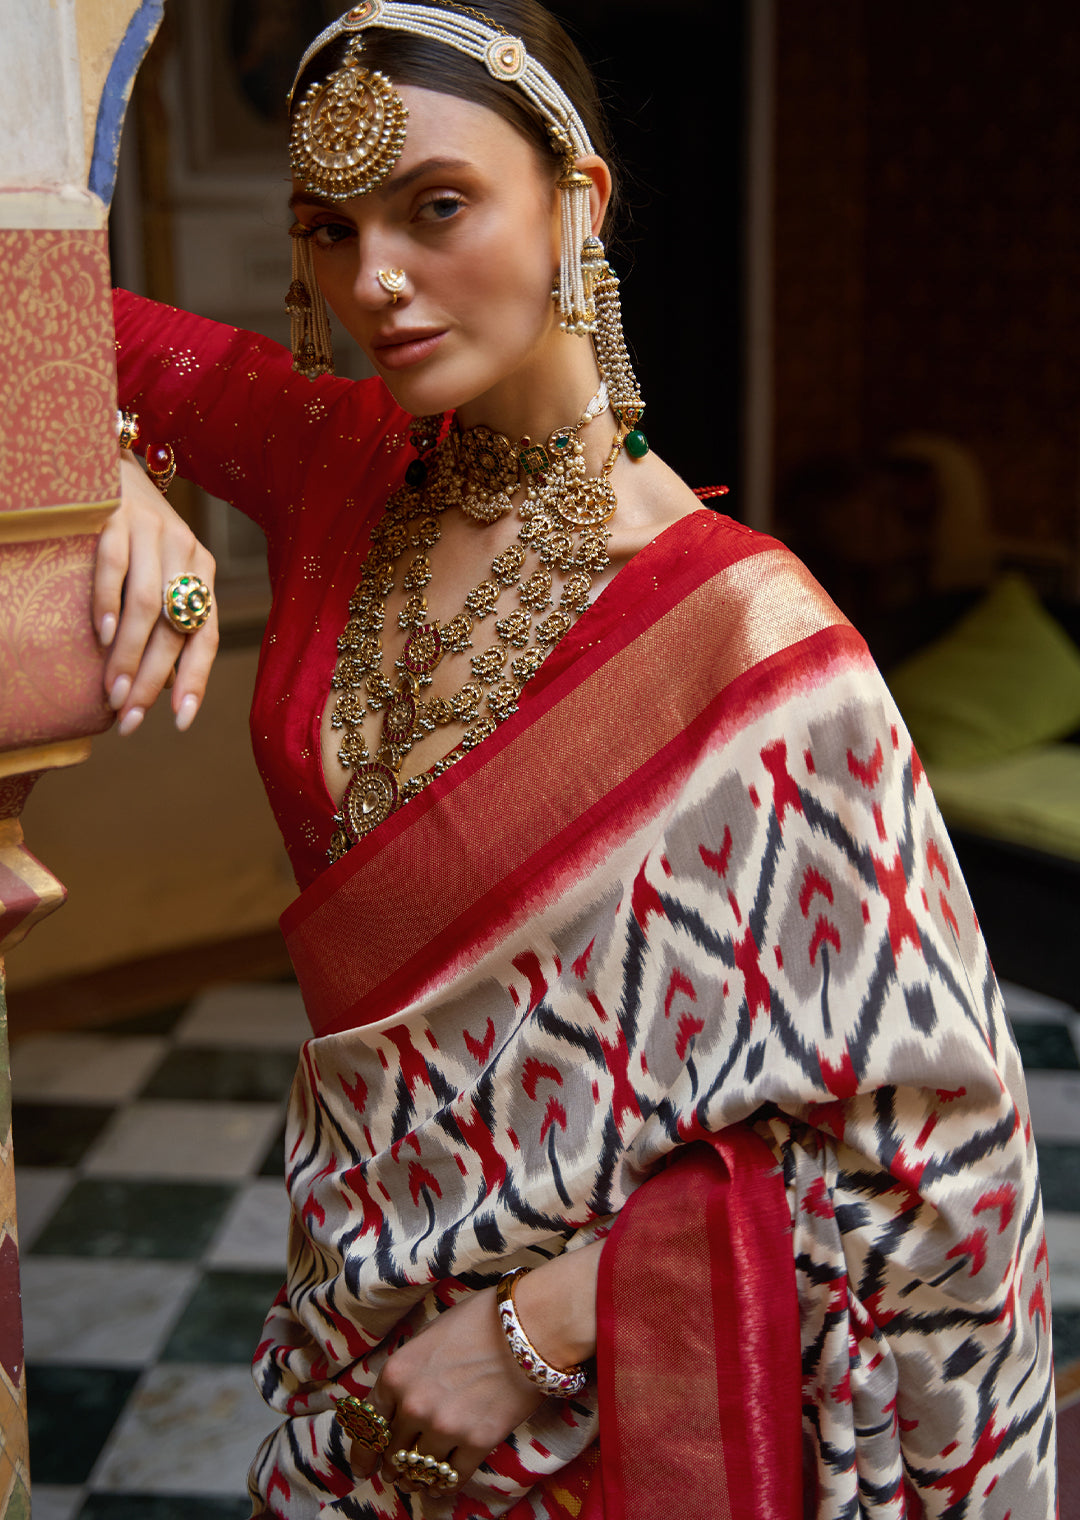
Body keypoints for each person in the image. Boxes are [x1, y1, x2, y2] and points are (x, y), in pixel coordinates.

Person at [100, 2, 1056, 1515]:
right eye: (329, 231)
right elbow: (50, 325)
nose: (378, 282)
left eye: (437, 207)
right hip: (351, 1343)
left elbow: (939, 1162)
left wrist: (533, 1331)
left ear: (579, 202)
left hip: (616, 1403)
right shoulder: (332, 465)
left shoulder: (758, 643)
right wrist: (108, 472)